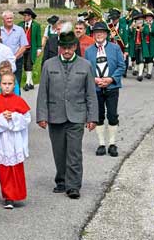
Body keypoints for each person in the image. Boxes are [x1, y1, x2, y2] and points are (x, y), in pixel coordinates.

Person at [36, 28, 98, 199]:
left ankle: (73, 186)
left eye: (70, 47)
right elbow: (43, 93)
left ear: (75, 47)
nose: (67, 51)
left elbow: (91, 93)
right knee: (59, 151)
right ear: (59, 48)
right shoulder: (49, 65)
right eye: (64, 47)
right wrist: (41, 116)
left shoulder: (85, 65)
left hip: (77, 115)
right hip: (55, 114)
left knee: (74, 152)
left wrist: (92, 117)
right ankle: (61, 181)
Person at [0, 72, 32, 208]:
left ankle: (17, 193)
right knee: (4, 169)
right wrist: (2, 119)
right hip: (1, 140)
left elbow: (26, 119)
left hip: (15, 139)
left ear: (14, 85)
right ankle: (8, 197)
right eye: (4, 84)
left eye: (9, 84)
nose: (7, 86)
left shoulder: (19, 101)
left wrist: (14, 117)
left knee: (16, 168)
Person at [83, 21, 125, 157]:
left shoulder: (115, 48)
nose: (99, 35)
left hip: (112, 87)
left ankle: (112, 143)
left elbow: (121, 66)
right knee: (99, 116)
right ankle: (101, 144)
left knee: (112, 115)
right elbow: (86, 69)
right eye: (96, 33)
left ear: (106, 34)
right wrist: (94, 79)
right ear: (93, 35)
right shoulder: (89, 51)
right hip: (96, 88)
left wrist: (111, 79)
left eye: (101, 32)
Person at [0, 11, 29, 87]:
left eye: (11, 18)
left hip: (17, 60)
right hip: (2, 61)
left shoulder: (19, 30)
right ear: (3, 20)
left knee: (16, 83)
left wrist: (14, 57)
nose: (9, 20)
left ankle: (17, 94)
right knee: (3, 83)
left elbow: (24, 46)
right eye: (7, 18)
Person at [19, 8, 43, 90]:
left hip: (31, 48)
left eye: (26, 15)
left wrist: (39, 48)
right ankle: (31, 83)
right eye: (24, 15)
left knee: (29, 64)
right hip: (22, 48)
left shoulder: (36, 25)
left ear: (30, 16)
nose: (24, 17)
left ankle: (27, 83)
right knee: (25, 64)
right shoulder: (20, 25)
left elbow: (38, 38)